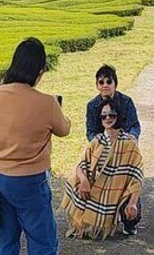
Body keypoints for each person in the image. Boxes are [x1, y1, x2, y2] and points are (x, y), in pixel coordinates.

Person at [0, 37, 71, 255]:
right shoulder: (46, 103)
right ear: (39, 71)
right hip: (28, 183)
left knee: (7, 243)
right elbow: (63, 130)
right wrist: (60, 110)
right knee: (43, 245)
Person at [60, 97, 143, 238]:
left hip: (118, 190)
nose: (108, 118)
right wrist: (84, 181)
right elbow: (81, 165)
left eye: (112, 114)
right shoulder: (97, 141)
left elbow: (137, 177)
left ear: (119, 115)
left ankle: (129, 222)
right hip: (97, 186)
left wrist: (133, 203)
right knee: (75, 182)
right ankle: (84, 224)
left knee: (130, 201)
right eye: (104, 115)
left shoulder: (129, 143)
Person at [86, 64, 141, 141]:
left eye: (109, 82)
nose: (105, 85)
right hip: (102, 144)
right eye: (101, 82)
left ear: (115, 84)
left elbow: (134, 126)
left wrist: (131, 138)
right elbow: (91, 131)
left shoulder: (126, 102)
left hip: (124, 143)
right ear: (97, 85)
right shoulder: (92, 106)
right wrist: (97, 143)